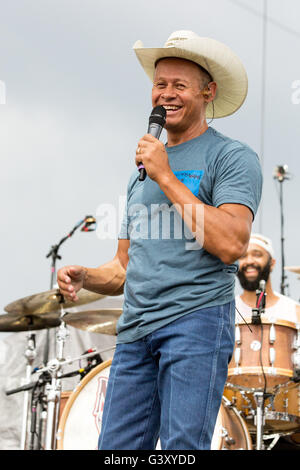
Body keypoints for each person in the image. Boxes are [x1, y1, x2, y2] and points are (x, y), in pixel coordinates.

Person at [57, 30, 263, 450]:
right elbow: (123, 268)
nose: (166, 94)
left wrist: (166, 175)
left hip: (196, 323)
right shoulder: (140, 175)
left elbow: (232, 244)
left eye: (179, 86)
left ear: (208, 92)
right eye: (160, 84)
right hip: (134, 333)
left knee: (180, 450)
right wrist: (87, 277)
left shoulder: (231, 157)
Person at [236, 233, 300, 323]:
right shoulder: (225, 310)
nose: (249, 261)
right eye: (243, 256)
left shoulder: (295, 312)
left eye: (257, 255)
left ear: (272, 263)